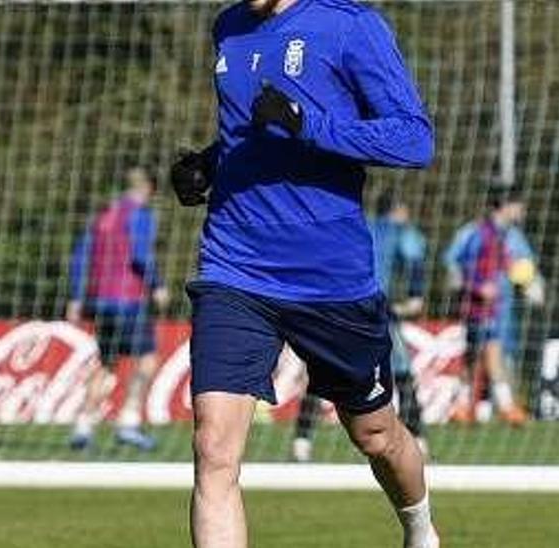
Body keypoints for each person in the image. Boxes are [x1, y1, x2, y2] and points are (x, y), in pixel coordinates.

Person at [169, 0, 438, 546]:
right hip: (234, 267)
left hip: (330, 279)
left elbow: (415, 139)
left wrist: (310, 125)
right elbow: (253, 133)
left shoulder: (349, 24)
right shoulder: (229, 27)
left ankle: (421, 531)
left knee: (376, 435)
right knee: (214, 448)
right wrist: (210, 163)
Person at [291, 192, 429, 463]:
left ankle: (301, 441)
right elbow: (414, 254)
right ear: (398, 210)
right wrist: (415, 295)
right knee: (401, 372)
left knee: (322, 372)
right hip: (373, 310)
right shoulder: (398, 231)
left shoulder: (356, 225)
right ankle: (418, 439)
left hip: (334, 307)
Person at [66, 167, 171, 451]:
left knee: (107, 363)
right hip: (128, 299)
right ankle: (129, 422)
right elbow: (139, 254)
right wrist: (157, 285)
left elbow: (80, 256)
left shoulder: (103, 215)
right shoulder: (140, 215)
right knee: (147, 360)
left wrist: (76, 297)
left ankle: (83, 427)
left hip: (99, 300)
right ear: (148, 188)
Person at [443, 185, 540, 427]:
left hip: (499, 307)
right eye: (518, 204)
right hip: (478, 306)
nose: (522, 210)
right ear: (505, 206)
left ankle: (471, 407)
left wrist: (530, 284)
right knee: (483, 355)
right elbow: (456, 266)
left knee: (484, 355)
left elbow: (518, 264)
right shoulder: (477, 233)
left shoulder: (509, 235)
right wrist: (476, 288)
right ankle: (498, 408)